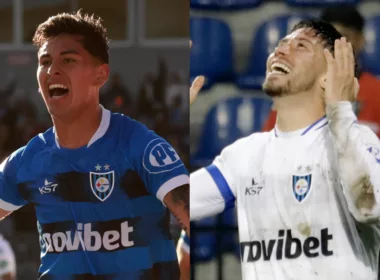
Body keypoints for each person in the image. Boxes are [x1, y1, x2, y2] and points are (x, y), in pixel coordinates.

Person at [0, 11, 189, 279]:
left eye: (68, 60)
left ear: (101, 75)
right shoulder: (26, 161)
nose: (53, 69)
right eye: (45, 61)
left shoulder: (139, 147)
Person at [190, 19, 380, 279]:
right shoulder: (244, 155)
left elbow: (370, 206)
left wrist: (340, 110)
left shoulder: (358, 141)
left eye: (300, 46)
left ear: (329, 75)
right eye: (280, 45)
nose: (279, 51)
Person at [262, 6, 380, 137]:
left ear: (360, 41)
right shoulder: (296, 90)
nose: (336, 45)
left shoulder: (377, 92)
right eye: (329, 38)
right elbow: (271, 145)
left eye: (345, 37)